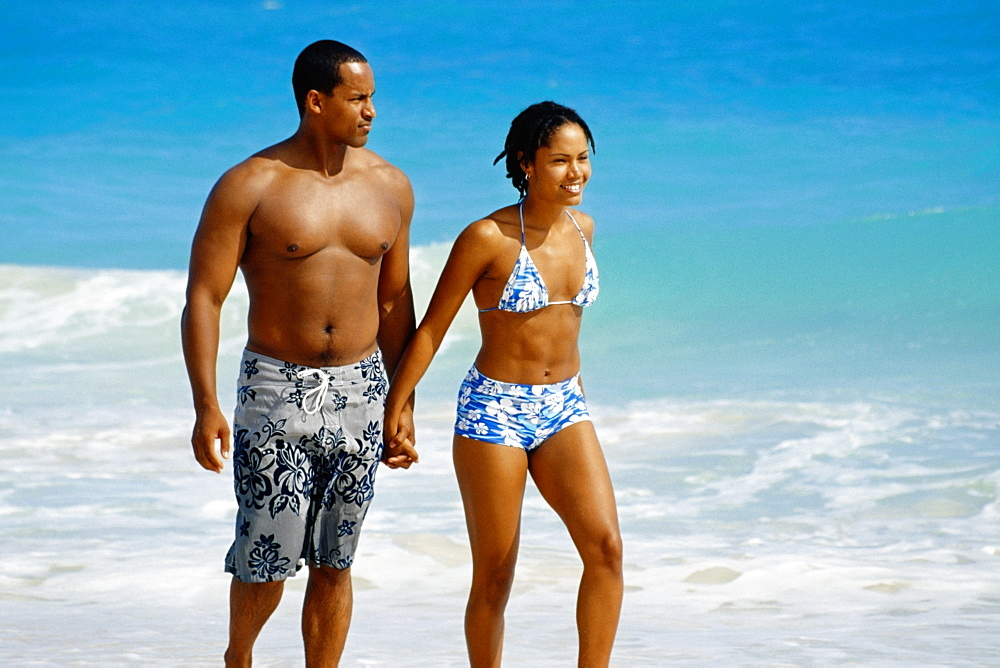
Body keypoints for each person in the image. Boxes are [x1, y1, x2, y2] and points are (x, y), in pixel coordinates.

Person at [181, 39, 416, 667]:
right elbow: (204, 298)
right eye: (358, 98)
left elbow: (395, 302)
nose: (371, 112)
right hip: (275, 387)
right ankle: (239, 657)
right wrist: (206, 404)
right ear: (317, 101)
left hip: (361, 390)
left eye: (373, 99)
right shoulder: (250, 184)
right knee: (266, 560)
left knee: (337, 560)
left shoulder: (392, 187)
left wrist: (403, 401)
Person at [382, 101, 623, 667]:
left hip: (564, 405)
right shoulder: (486, 237)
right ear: (526, 163)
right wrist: (399, 406)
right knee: (495, 573)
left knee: (606, 550)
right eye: (560, 159)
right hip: (496, 410)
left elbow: (567, 329)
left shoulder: (583, 229)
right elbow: (432, 329)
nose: (576, 172)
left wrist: (578, 393)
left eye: (583, 158)